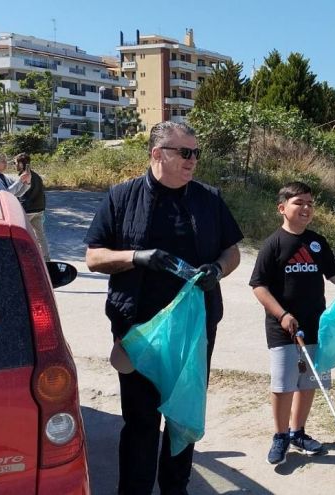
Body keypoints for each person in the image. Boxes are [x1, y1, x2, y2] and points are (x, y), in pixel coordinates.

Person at [84, 121, 242, 495]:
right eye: (184, 152)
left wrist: (217, 270)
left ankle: (176, 489)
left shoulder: (209, 198)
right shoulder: (121, 197)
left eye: (196, 153)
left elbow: (232, 251)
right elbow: (93, 257)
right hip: (138, 328)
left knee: (181, 415)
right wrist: (138, 257)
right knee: (140, 420)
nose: (193, 161)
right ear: (158, 154)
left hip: (194, 328)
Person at [249, 181, 335, 465]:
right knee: (283, 385)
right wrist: (282, 315)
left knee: (309, 381)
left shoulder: (316, 242)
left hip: (316, 325)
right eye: (298, 203)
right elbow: (258, 285)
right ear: (282, 208)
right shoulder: (273, 244)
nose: (306, 208)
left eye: (310, 203)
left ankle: (298, 432)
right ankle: (280, 435)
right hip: (283, 328)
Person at [14, 153, 50, 261]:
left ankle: (23, 258)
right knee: (40, 235)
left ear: (21, 164)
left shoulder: (24, 175)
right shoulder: (36, 175)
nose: (14, 165)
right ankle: (46, 258)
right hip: (39, 209)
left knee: (21, 234)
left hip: (28, 209)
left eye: (15, 163)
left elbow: (18, 192)